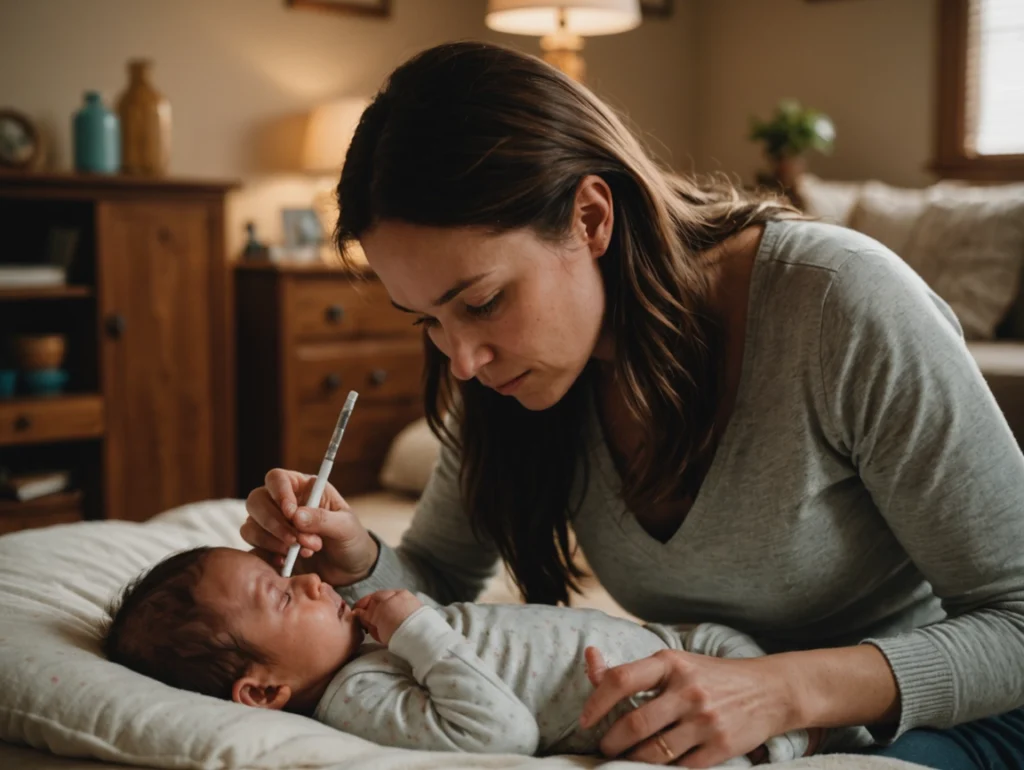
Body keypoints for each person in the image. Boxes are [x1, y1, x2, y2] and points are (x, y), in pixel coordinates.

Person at [241, 41, 1024, 770]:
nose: (464, 362)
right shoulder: (506, 375)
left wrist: (779, 691)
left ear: (590, 218)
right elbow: (443, 579)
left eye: (481, 301)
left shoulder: (839, 306)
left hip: (938, 716)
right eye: (430, 322)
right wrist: (359, 561)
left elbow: (1016, 620)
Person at [103, 545, 852, 763]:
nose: (304, 579)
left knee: (743, 654)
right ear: (264, 692)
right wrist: (415, 632)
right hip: (644, 703)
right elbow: (500, 734)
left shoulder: (362, 637)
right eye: (278, 595)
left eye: (284, 571)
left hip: (669, 643)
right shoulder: (356, 698)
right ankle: (807, 742)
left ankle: (822, 713)